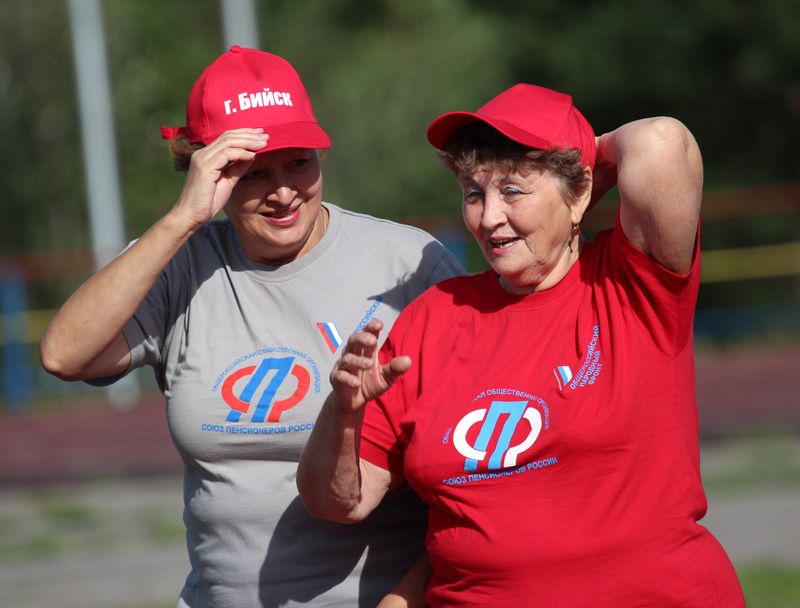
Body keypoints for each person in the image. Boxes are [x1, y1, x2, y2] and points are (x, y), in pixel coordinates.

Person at [39, 45, 463, 608]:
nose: (283, 192)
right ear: (207, 173)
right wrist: (182, 219)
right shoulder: (179, 263)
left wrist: (405, 598)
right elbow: (64, 355)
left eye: (299, 163)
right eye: (252, 172)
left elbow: (480, 476)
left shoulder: (409, 264)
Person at [297, 83, 746, 606]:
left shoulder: (630, 285)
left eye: (512, 191)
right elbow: (339, 503)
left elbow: (662, 142)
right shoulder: (434, 317)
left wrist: (578, 170)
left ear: (581, 192)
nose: (488, 217)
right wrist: (343, 411)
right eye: (473, 193)